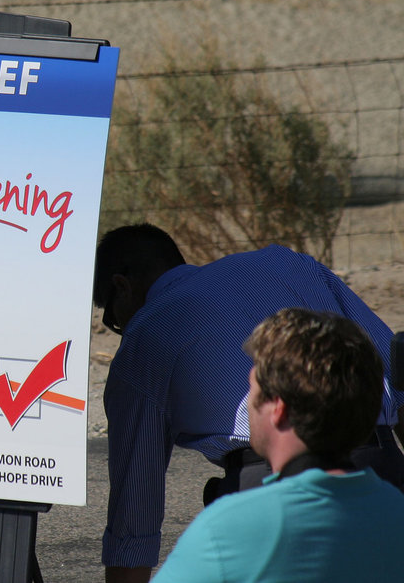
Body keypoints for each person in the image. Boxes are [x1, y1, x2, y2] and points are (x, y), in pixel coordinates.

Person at [92, 224, 404, 583]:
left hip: (264, 489)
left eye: (113, 319)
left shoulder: (142, 340)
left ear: (121, 286)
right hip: (382, 467)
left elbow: (135, 517)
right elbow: (396, 372)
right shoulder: (286, 263)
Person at [152, 308, 404, 582]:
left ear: (278, 408)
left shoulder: (228, 529)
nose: (248, 403)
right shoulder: (397, 515)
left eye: (252, 388)